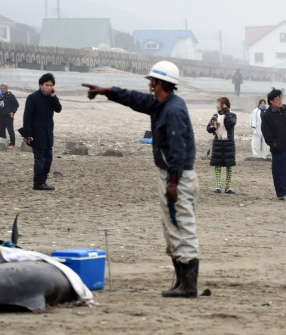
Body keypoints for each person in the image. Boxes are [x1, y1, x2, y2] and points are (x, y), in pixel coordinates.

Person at [82, 61, 201, 298]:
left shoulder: (172, 110)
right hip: (172, 174)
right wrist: (108, 91)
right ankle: (182, 283)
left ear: (160, 83)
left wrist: (173, 182)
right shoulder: (163, 104)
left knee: (180, 226)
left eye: (152, 81)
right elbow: (134, 99)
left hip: (177, 176)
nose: (149, 85)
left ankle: (188, 286)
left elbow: (178, 149)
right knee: (172, 228)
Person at [22, 73, 62, 191]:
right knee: (40, 159)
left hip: (48, 134)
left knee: (48, 160)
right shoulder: (33, 97)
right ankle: (38, 183)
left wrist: (54, 97)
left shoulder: (51, 97)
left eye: (51, 85)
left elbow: (58, 109)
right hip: (36, 134)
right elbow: (27, 117)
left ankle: (43, 181)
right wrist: (27, 134)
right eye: (46, 85)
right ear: (40, 85)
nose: (49, 87)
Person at [260, 88, 286, 200]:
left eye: (280, 97)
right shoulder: (267, 115)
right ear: (271, 101)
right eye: (277, 98)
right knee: (279, 172)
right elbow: (266, 132)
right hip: (278, 148)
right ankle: (280, 194)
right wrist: (274, 145)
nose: (280, 100)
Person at [207, 97, 237, 194]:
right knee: (217, 165)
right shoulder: (215, 116)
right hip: (218, 143)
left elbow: (231, 123)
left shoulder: (232, 115)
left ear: (224, 105)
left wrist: (227, 111)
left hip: (228, 143)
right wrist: (214, 127)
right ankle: (218, 186)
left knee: (229, 166)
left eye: (218, 103)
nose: (217, 105)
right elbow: (209, 128)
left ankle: (228, 187)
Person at [0, 84, 20, 148]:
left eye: (4, 88)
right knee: (2, 130)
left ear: (6, 89)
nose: (2, 89)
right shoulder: (0, 96)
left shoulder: (11, 96)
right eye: (1, 88)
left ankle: (12, 144)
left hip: (9, 116)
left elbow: (16, 104)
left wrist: (13, 112)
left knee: (10, 130)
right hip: (2, 115)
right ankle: (3, 142)